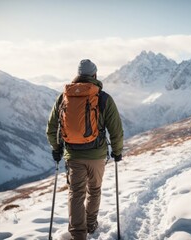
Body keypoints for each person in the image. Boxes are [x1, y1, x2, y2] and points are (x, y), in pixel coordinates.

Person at [46, 59, 124, 240]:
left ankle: (78, 235)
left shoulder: (64, 97)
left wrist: (56, 149)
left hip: (73, 155)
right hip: (97, 155)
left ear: (78, 75)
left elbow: (51, 128)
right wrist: (117, 151)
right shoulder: (103, 98)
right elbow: (116, 130)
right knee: (94, 190)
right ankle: (90, 225)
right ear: (95, 75)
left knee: (76, 193)